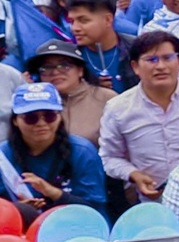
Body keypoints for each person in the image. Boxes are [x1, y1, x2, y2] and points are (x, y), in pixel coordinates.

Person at [98, 31, 179, 203]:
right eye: (151, 60)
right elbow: (110, 157)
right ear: (135, 67)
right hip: (153, 202)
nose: (160, 66)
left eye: (168, 58)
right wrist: (134, 175)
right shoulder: (118, 108)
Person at [1, 82, 108, 215]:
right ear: (15, 121)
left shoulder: (82, 152)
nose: (41, 123)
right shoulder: (3, 156)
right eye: (31, 118)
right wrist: (17, 210)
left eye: (49, 116)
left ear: (59, 117)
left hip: (76, 225)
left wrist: (52, 192)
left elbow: (94, 209)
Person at [23, 39, 117, 145]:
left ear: (80, 70)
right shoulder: (34, 104)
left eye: (64, 66)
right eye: (46, 67)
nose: (55, 72)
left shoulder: (106, 98)